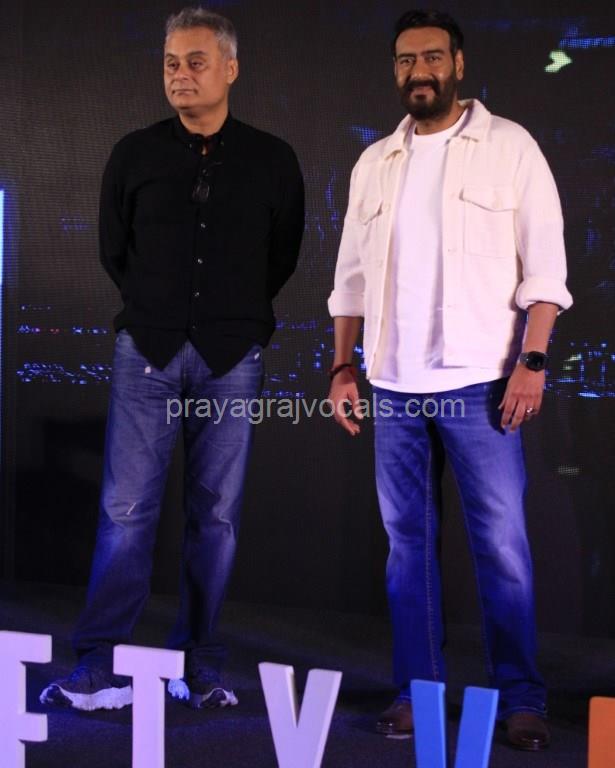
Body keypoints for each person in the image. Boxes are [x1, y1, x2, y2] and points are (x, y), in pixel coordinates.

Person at [40, 6, 304, 712]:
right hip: (147, 351)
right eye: (170, 64)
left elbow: (281, 256)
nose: (180, 75)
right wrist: (159, 310)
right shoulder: (133, 154)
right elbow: (114, 250)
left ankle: (201, 665)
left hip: (231, 356)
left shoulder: (273, 160)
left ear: (230, 68)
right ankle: (97, 665)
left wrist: (235, 321)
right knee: (125, 510)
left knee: (216, 517)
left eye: (195, 62)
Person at [327, 9, 571, 751]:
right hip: (393, 386)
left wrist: (531, 363)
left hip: (482, 385)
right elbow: (349, 281)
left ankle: (521, 700)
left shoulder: (510, 147)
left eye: (432, 57)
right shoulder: (375, 162)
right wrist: (343, 366)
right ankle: (417, 694)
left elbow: (546, 270)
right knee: (407, 551)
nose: (418, 71)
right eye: (406, 60)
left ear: (458, 64)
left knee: (502, 547)